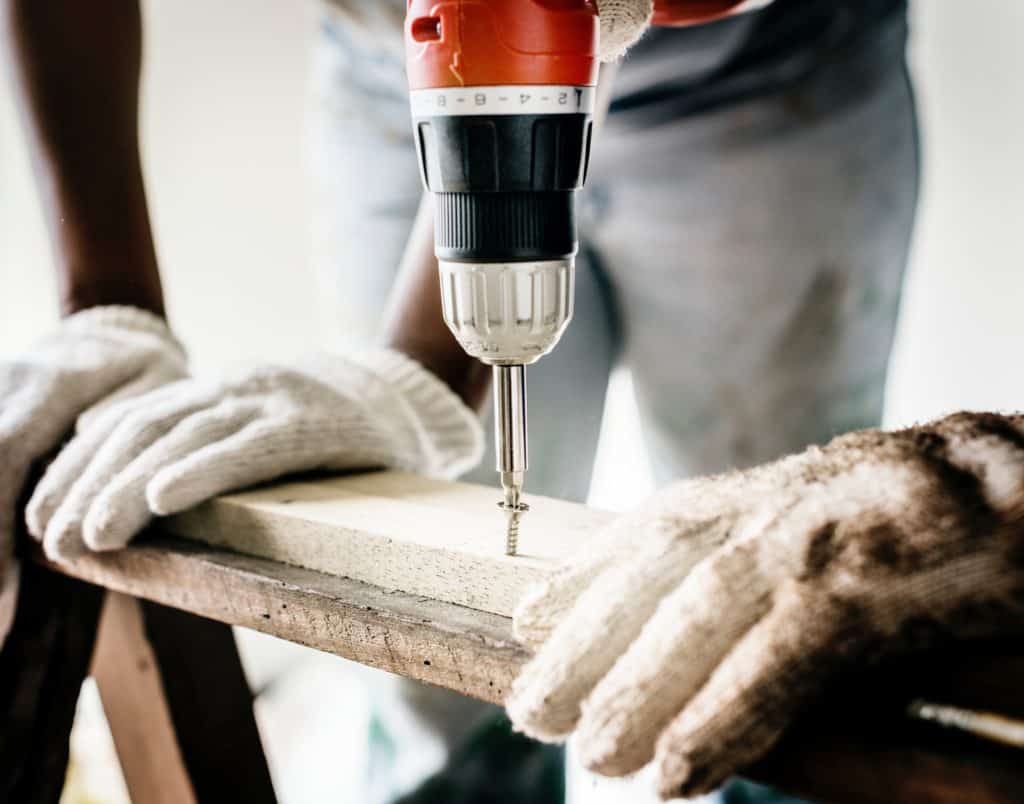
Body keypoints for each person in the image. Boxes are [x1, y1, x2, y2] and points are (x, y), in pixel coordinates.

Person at [2, 1, 1020, 803]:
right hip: (393, 73)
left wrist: (427, 357)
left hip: (768, 87)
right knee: (433, 674)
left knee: (760, 615)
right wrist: (107, 306)